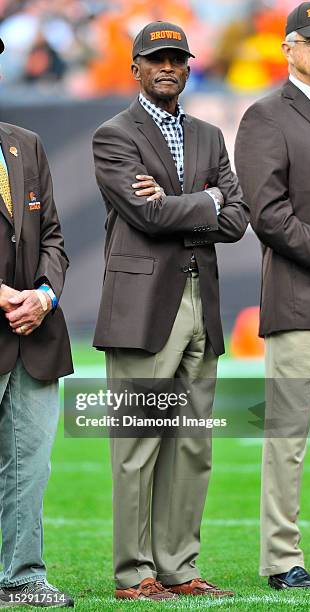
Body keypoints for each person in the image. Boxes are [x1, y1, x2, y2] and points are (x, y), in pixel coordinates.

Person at [93, 20, 248, 601]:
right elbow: (147, 217)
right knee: (137, 445)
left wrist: (192, 202)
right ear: (135, 68)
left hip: (199, 302)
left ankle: (180, 569)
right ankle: (135, 575)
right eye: (155, 58)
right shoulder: (114, 135)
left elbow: (237, 218)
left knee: (192, 444)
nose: (167, 66)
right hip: (143, 306)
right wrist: (207, 199)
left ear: (188, 66)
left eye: (176, 58)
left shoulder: (210, 133)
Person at [235, 0, 310, 592]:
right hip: (300, 304)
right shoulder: (266, 116)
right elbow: (268, 214)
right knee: (287, 439)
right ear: (288, 47)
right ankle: (282, 560)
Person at [0, 38, 74, 608]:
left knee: (30, 467)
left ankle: (23, 578)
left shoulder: (26, 143)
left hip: (34, 333)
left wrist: (44, 296)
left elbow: (52, 236)